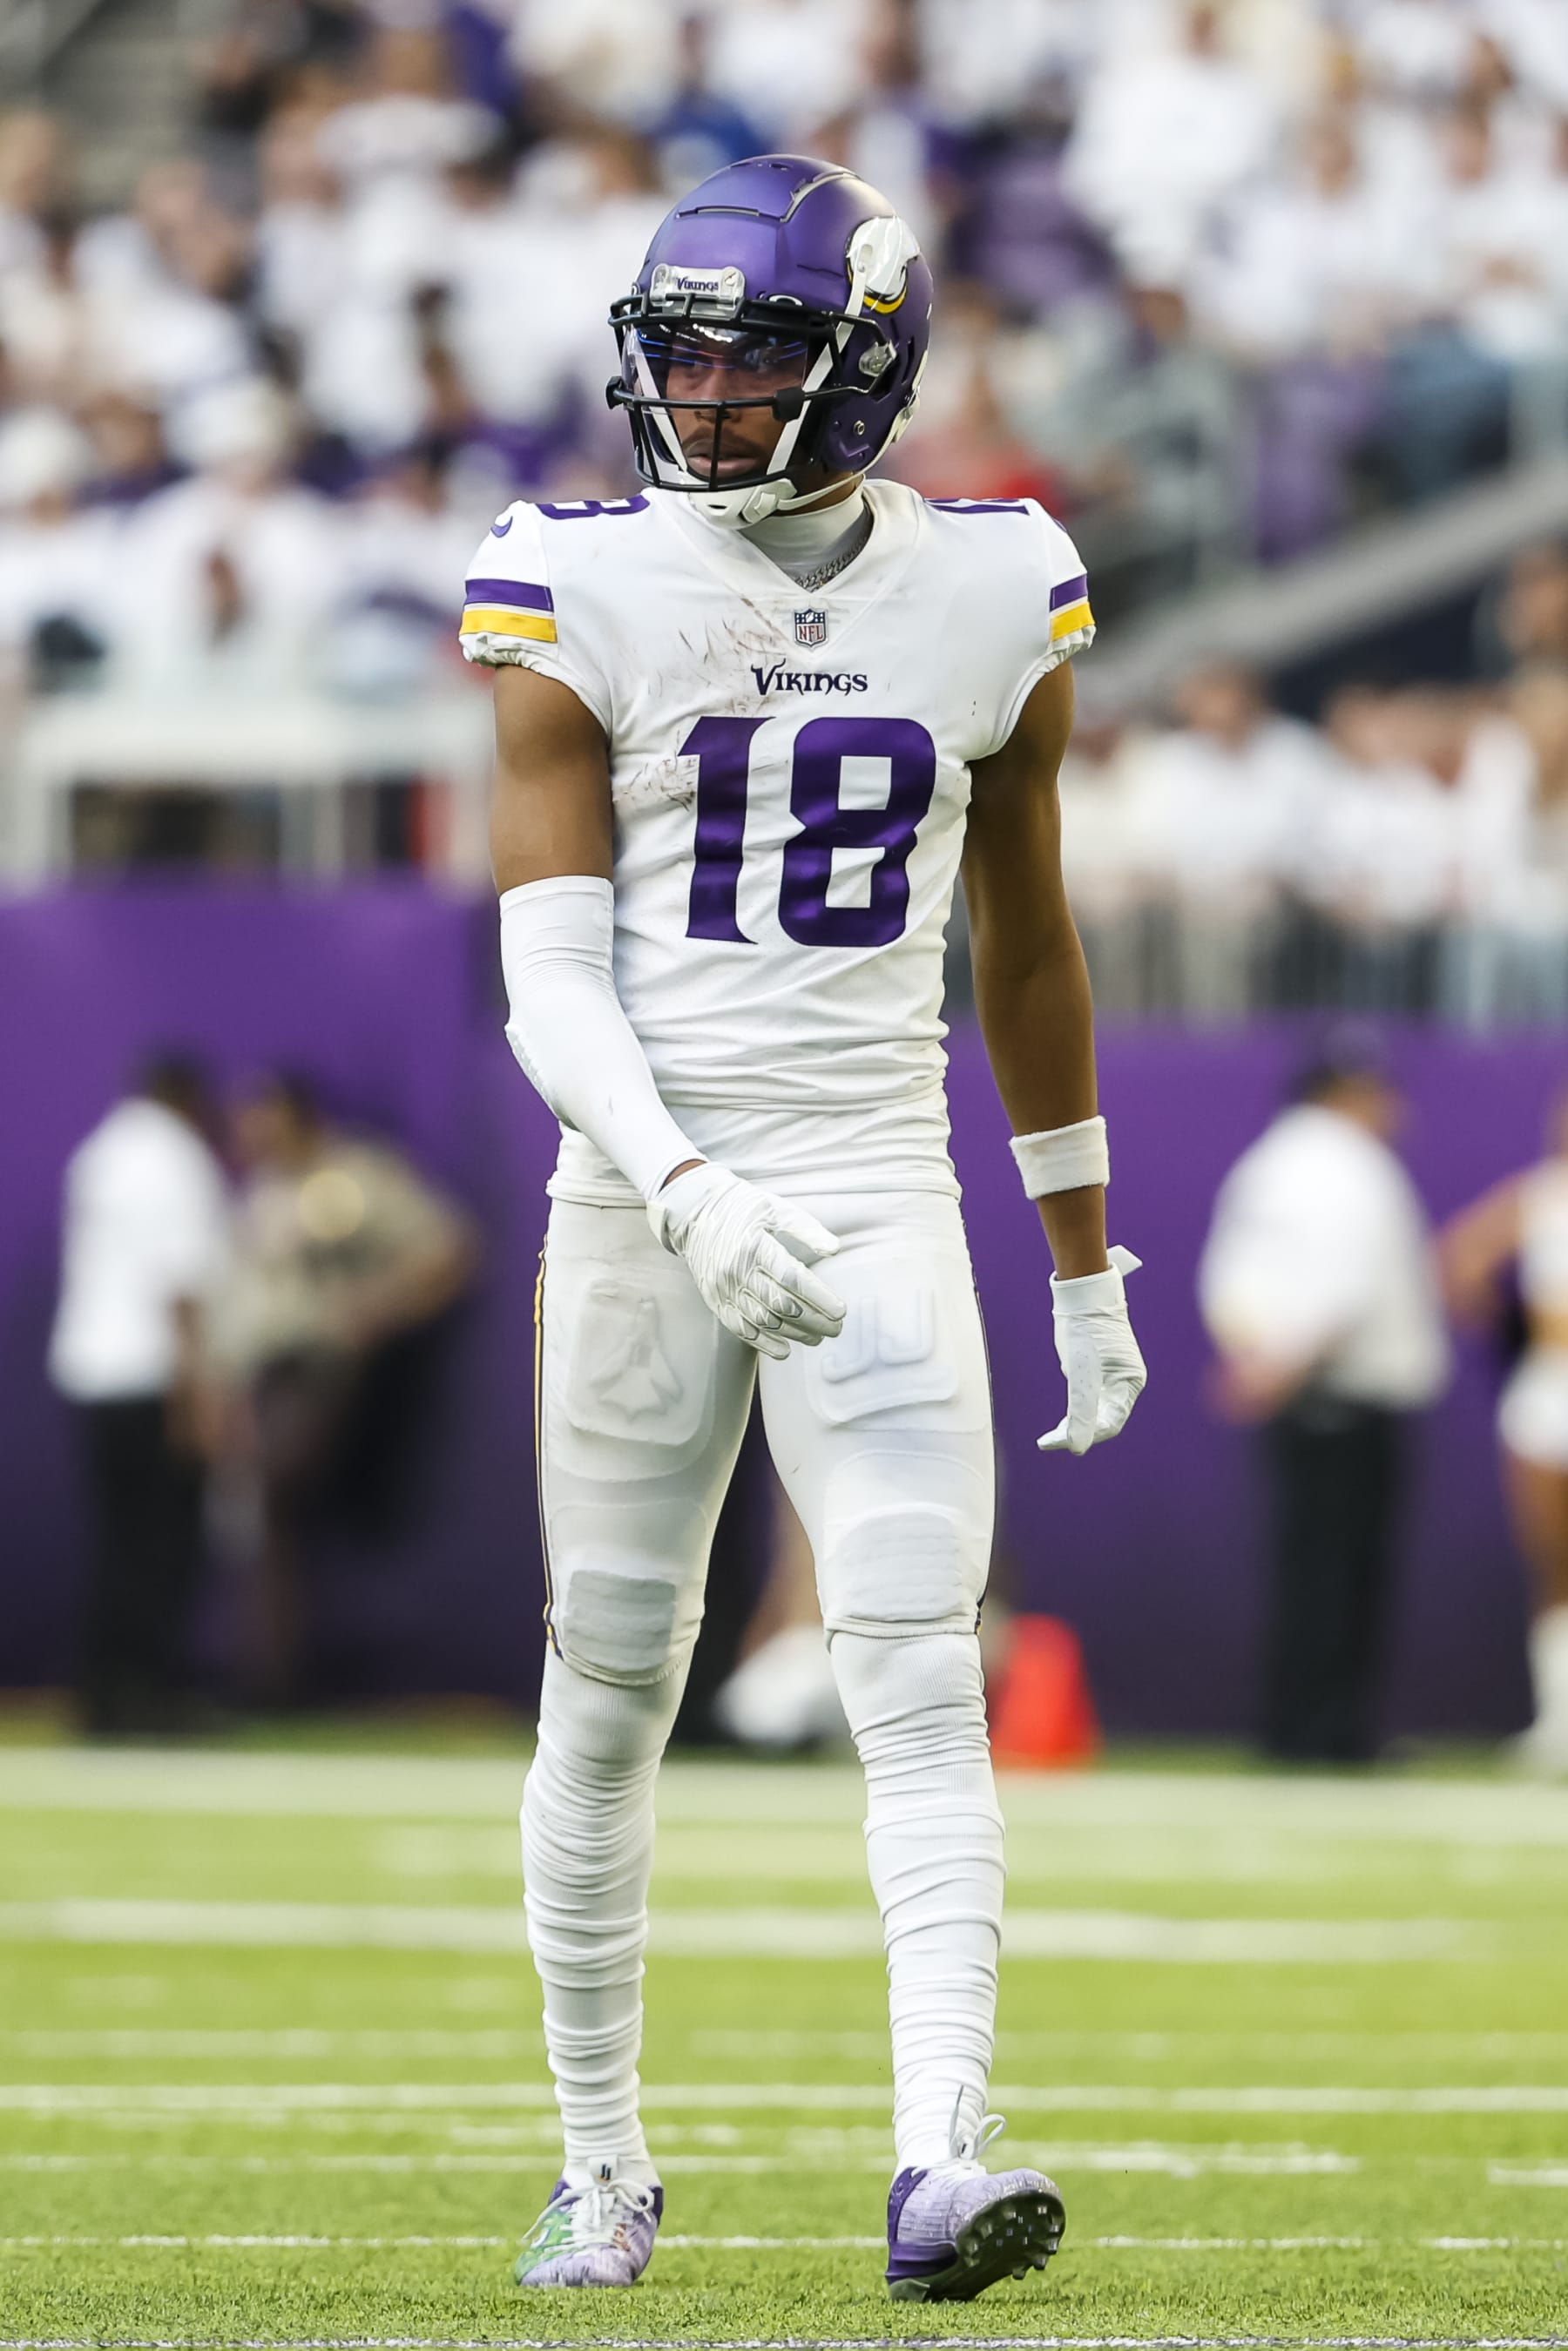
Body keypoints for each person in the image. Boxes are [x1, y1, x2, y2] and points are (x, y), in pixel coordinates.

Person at [459, 155, 1146, 2299]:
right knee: (608, 1688)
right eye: (682, 353)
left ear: (869, 371)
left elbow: (1027, 949)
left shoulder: (998, 580)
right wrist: (678, 1178)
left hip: (869, 1181)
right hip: (647, 1180)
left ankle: (941, 2155)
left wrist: (1085, 1258)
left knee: (918, 1669)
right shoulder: (574, 577)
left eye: (754, 354)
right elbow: (550, 976)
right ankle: (601, 2159)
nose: (709, 393)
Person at [1198, 1051, 1450, 1765]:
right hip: (1346, 1396)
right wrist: (1281, 1366)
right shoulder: (1350, 1166)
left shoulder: (1266, 1165)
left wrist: (1255, 1362)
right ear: (1350, 1094)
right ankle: (1330, 1734)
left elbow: (1228, 1280)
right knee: (1343, 1573)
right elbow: (1348, 1287)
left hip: (1296, 1397)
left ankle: (1294, 1725)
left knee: (1307, 1566)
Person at [215, 1071, 477, 1705]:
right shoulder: (262, 1189)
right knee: (261, 1519)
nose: (249, 1132)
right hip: (261, 1374)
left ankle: (274, 1677)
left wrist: (372, 1312)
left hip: (320, 1368)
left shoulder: (356, 1175)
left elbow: (449, 1250)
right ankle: (270, 1675)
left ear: (297, 1116)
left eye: (263, 1116)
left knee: (272, 1498)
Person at [47, 1053, 230, 1736]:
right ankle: (151, 1697)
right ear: (189, 1097)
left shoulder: (102, 1152)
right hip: (155, 1378)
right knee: (162, 1548)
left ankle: (104, 1696)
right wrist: (198, 1399)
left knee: (119, 1544)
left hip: (95, 1374)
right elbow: (180, 1285)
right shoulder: (176, 1157)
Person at [1439, 1087, 1568, 1776]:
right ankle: (1559, 1721)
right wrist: (1509, 1330)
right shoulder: (1540, 1195)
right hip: (1549, 1396)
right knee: (1553, 1562)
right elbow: (1461, 1255)